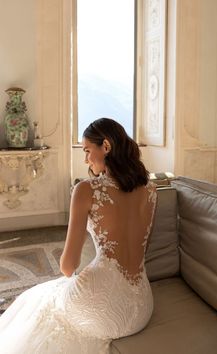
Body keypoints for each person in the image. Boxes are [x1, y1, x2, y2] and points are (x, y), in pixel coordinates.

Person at [0, 118, 157, 354]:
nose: (85, 159)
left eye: (87, 151)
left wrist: (81, 275)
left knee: (37, 299)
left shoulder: (85, 189)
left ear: (106, 146)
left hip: (101, 308)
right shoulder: (151, 190)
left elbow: (67, 266)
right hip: (142, 307)